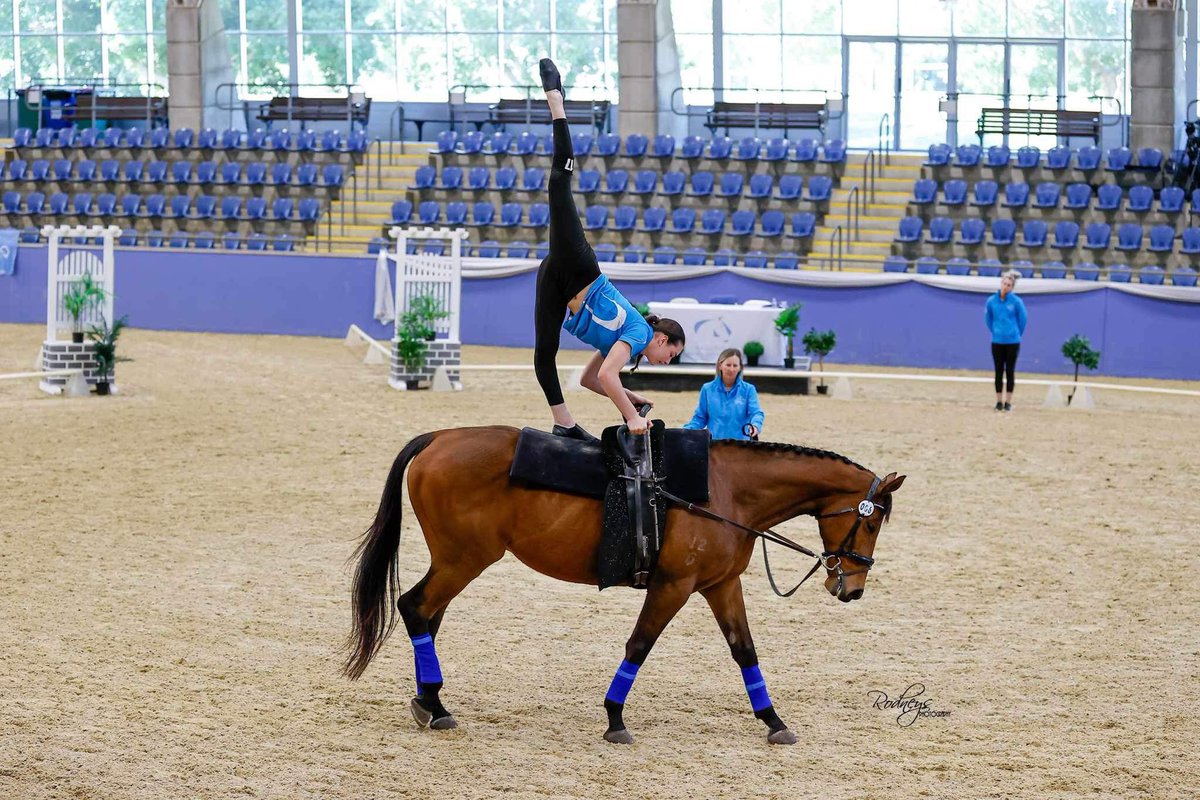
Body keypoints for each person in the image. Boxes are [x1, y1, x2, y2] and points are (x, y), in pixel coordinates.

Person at [532, 58, 685, 442]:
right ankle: (556, 102)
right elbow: (604, 376)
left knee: (544, 351)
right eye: (672, 354)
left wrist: (631, 397)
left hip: (557, 283)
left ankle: (564, 423)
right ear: (662, 339)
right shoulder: (636, 331)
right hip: (578, 267)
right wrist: (631, 416)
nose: (668, 362)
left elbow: (590, 379)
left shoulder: (625, 343)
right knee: (558, 184)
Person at [682, 348, 764, 440]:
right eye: (728, 365)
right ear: (720, 365)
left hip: (742, 446)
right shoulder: (707, 389)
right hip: (715, 446)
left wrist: (756, 426)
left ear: (740, 367)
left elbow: (756, 413)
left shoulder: (749, 389)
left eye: (735, 365)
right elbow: (700, 418)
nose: (731, 369)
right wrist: (686, 430)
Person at [984, 269, 1028, 412]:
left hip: (1012, 342)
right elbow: (988, 319)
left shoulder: (1016, 302)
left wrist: (1015, 333)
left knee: (1010, 371)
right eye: (1004, 283)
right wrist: (996, 331)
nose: (1006, 286)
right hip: (997, 341)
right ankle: (998, 401)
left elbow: (1023, 320)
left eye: (1009, 285)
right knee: (998, 371)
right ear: (1001, 283)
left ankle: (1008, 402)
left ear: (1012, 287)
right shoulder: (991, 301)